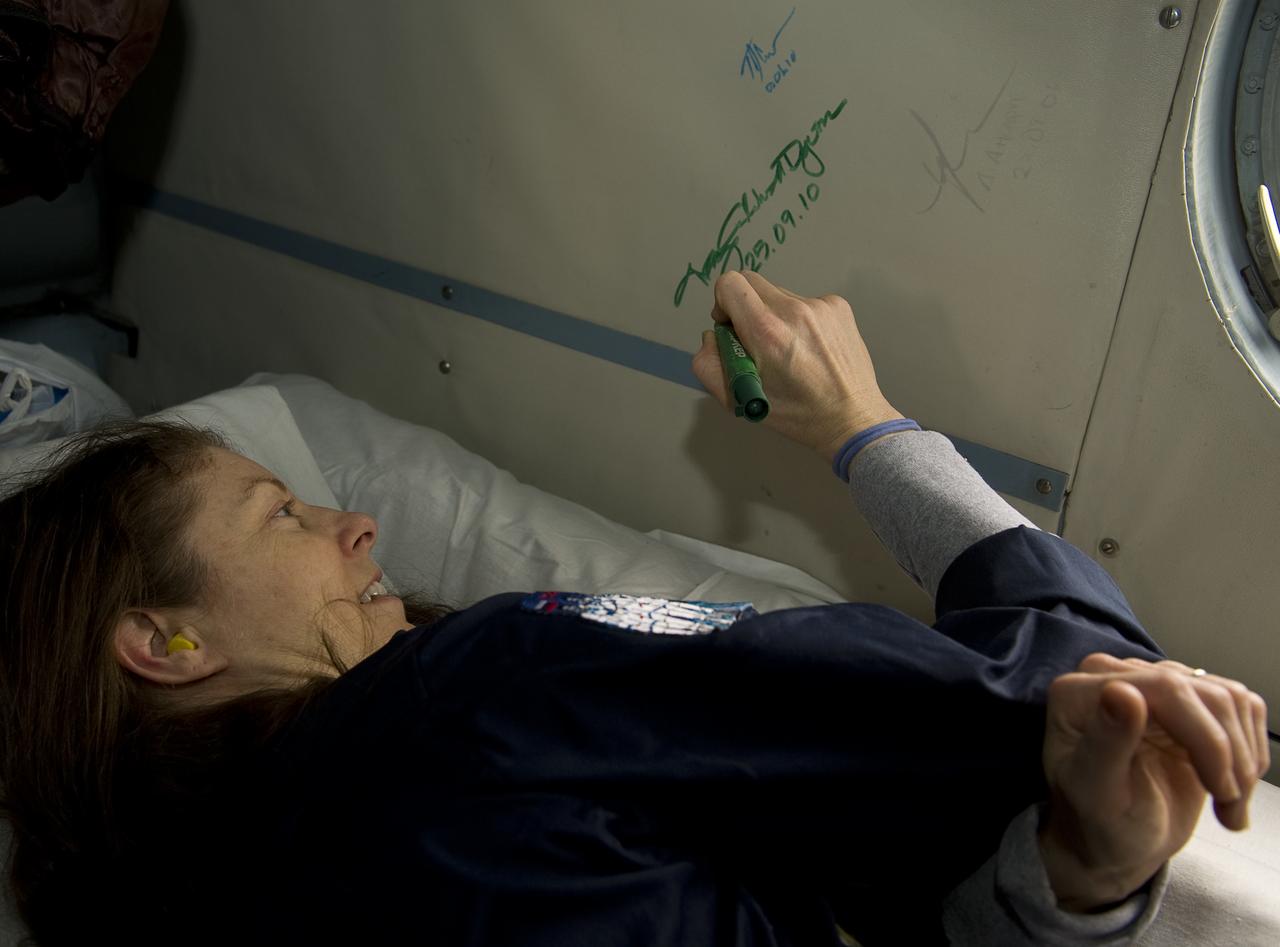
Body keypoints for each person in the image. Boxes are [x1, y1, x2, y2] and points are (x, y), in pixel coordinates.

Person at [0, 271, 1268, 946]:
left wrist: (1062, 881)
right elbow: (1048, 683)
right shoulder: (467, 693)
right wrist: (865, 427)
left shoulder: (194, 899)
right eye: (281, 512)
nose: (356, 522)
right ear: (164, 641)